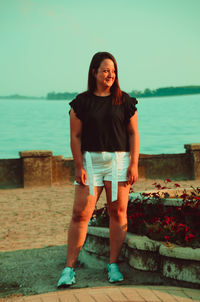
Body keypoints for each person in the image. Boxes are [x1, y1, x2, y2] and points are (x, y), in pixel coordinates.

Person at [57, 51, 140, 287]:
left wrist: (134, 163)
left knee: (118, 213)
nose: (110, 74)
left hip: (119, 163)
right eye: (105, 70)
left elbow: (133, 134)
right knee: (80, 214)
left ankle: (112, 265)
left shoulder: (125, 101)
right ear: (94, 72)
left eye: (113, 71)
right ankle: (68, 269)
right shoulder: (81, 102)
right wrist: (79, 165)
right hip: (91, 162)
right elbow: (75, 136)